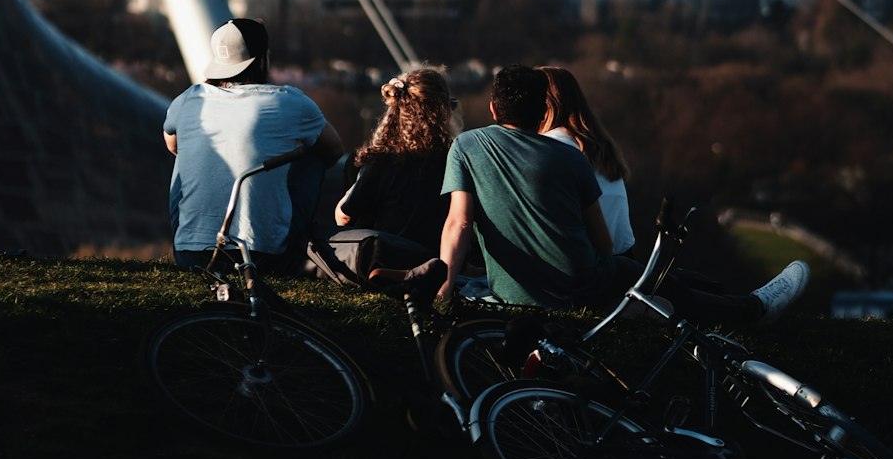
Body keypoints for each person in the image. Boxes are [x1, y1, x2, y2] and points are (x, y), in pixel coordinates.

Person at [435, 64, 808, 327]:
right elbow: (603, 240)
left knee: (670, 281)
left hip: (515, 293)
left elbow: (459, 221)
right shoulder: (570, 156)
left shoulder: (467, 146)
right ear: (540, 111)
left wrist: (448, 282)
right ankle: (754, 309)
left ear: (493, 108)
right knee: (658, 281)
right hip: (582, 284)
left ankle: (722, 297)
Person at [163, 18, 343, 270]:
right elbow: (334, 150)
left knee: (183, 153)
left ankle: (190, 236)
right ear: (262, 59)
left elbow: (172, 144)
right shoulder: (291, 102)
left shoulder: (188, 100)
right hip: (263, 256)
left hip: (192, 256)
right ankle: (295, 244)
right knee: (313, 155)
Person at [335, 67, 455, 258]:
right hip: (439, 257)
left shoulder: (381, 161)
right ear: (444, 111)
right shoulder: (454, 160)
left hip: (390, 257)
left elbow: (343, 217)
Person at [538, 64, 635, 256]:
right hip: (627, 258)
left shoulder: (552, 147)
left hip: (594, 264)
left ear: (545, 104)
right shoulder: (599, 144)